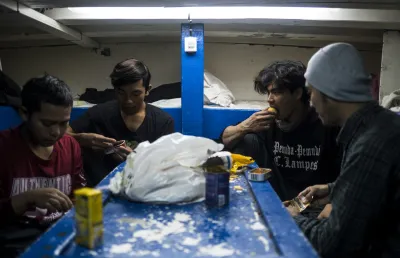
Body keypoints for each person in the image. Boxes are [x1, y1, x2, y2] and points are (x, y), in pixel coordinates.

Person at [285, 43, 400, 258]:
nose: (311, 102)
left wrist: (290, 216)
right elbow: (378, 182)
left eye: (311, 92)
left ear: (328, 94)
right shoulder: (383, 123)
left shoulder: (369, 144)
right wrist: (333, 189)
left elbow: (333, 244)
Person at [221, 60, 340, 202]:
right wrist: (245, 127)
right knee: (245, 139)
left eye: (276, 93)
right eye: (268, 93)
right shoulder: (266, 121)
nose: (269, 100)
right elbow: (225, 139)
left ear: (297, 93)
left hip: (313, 199)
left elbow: (345, 180)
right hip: (278, 194)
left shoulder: (324, 122)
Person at [0, 75, 86, 257]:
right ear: (24, 113)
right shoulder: (3, 148)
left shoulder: (70, 146)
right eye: (47, 123)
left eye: (64, 123)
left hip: (60, 232)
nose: (56, 132)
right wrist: (25, 199)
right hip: (15, 240)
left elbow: (78, 194)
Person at [68, 59, 175, 186]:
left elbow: (168, 167)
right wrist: (80, 139)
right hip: (99, 191)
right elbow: (61, 135)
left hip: (142, 190)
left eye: (136, 93)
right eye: (121, 92)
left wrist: (136, 160)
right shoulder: (99, 114)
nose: (128, 101)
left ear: (147, 90)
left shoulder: (162, 122)